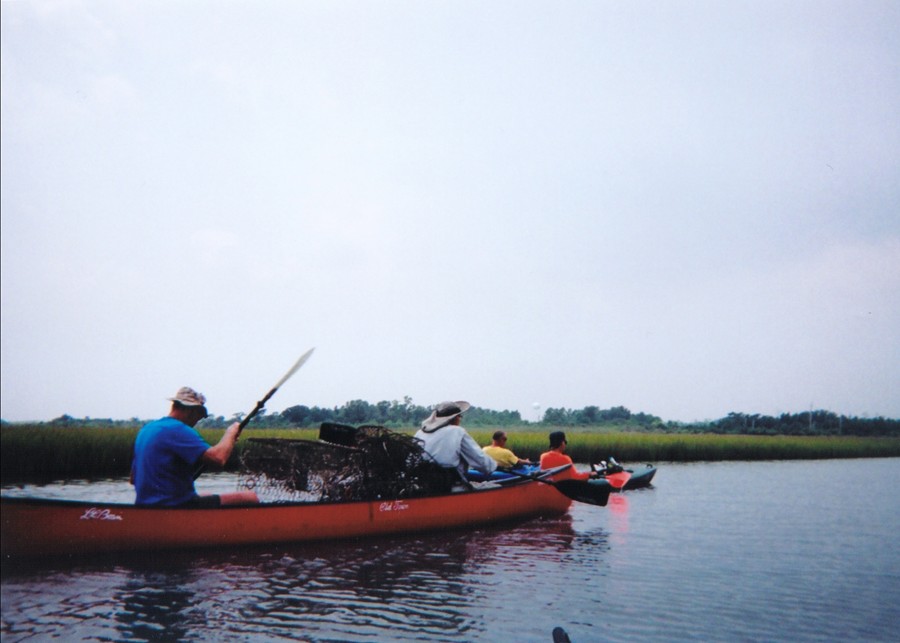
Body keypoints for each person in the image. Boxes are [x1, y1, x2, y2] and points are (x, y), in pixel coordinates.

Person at [131, 386, 259, 507]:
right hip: (174, 506)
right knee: (250, 497)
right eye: (199, 415)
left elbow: (133, 479)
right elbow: (218, 458)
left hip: (146, 505)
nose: (197, 421)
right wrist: (231, 433)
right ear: (190, 410)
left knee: (205, 495)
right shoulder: (177, 429)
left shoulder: (147, 429)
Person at [414, 401, 497, 483]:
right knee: (495, 486)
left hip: (423, 484)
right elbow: (484, 464)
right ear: (456, 417)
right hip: (450, 486)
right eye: (460, 416)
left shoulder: (419, 433)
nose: (460, 419)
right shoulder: (457, 431)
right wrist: (494, 465)